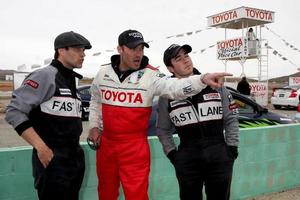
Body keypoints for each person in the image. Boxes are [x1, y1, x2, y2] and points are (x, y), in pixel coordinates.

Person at [87, 29, 232, 200]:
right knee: (105, 192)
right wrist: (94, 126)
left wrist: (201, 79)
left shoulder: (152, 75)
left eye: (141, 49)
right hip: (106, 146)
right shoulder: (103, 73)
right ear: (120, 49)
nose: (138, 54)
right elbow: (95, 100)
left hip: (134, 146)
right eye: (133, 49)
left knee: (137, 196)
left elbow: (174, 87)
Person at [5, 31, 92, 200]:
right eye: (78, 49)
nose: (83, 54)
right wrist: (41, 147)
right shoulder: (45, 75)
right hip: (52, 156)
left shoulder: (70, 80)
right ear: (61, 50)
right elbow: (14, 111)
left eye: (84, 50)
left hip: (74, 157)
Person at [156, 44, 240, 200]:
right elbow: (162, 129)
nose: (186, 61)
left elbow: (231, 118)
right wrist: (174, 155)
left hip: (219, 154)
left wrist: (231, 149)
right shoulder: (166, 96)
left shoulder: (214, 84)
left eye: (186, 56)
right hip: (187, 156)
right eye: (178, 59)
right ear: (170, 68)